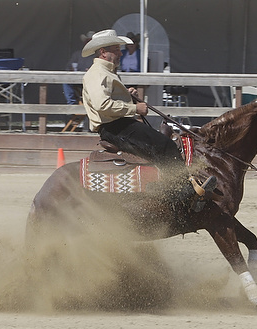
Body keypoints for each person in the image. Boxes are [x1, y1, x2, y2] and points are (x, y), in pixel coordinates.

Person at [81, 29, 216, 212]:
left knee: (161, 144)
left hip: (118, 125)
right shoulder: (98, 73)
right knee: (166, 146)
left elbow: (107, 99)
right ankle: (183, 195)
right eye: (116, 49)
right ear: (103, 52)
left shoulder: (105, 72)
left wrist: (126, 95)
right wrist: (135, 108)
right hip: (116, 127)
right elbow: (102, 105)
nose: (120, 53)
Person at [62, 31, 95, 105]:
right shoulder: (77, 54)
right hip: (78, 80)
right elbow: (68, 67)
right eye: (87, 41)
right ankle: (72, 103)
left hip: (93, 81)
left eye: (91, 42)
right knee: (66, 81)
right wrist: (71, 69)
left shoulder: (99, 55)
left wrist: (92, 70)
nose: (88, 44)